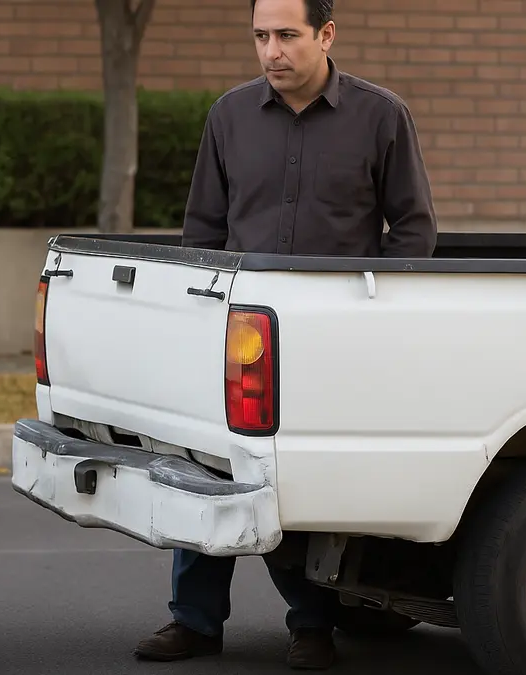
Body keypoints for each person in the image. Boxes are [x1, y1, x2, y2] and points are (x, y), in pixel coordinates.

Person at [133, 0, 436, 670]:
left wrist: (372, 319)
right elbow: (202, 232)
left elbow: (412, 231)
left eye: (287, 36)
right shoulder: (229, 116)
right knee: (211, 469)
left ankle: (313, 623)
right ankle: (195, 620)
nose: (272, 51)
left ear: (326, 34)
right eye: (261, 37)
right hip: (238, 339)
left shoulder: (381, 116)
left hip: (332, 343)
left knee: (303, 483)